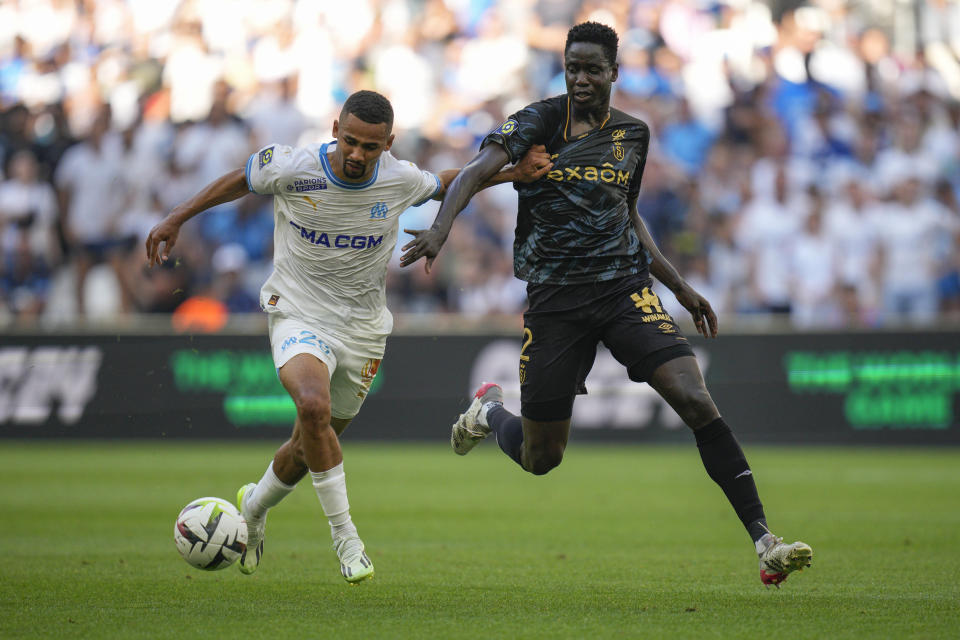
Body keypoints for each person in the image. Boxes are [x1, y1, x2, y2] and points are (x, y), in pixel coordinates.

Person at [400, 22, 813, 588]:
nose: (582, 78)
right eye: (573, 67)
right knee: (543, 457)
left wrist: (680, 288)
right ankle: (489, 413)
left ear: (615, 72)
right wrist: (440, 229)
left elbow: (630, 214)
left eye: (593, 68)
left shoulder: (632, 135)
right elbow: (474, 172)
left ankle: (766, 541)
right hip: (555, 302)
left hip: (624, 289)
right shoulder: (539, 122)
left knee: (695, 399)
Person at [145, 90, 550, 584]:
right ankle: (347, 541)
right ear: (335, 128)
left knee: (309, 444)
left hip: (361, 329)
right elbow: (239, 180)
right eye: (351, 141)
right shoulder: (294, 166)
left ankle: (252, 509)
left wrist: (512, 174)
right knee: (312, 409)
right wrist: (175, 218)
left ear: (389, 143)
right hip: (298, 313)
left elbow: (448, 184)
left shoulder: (399, 178)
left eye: (370, 147)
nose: (358, 154)